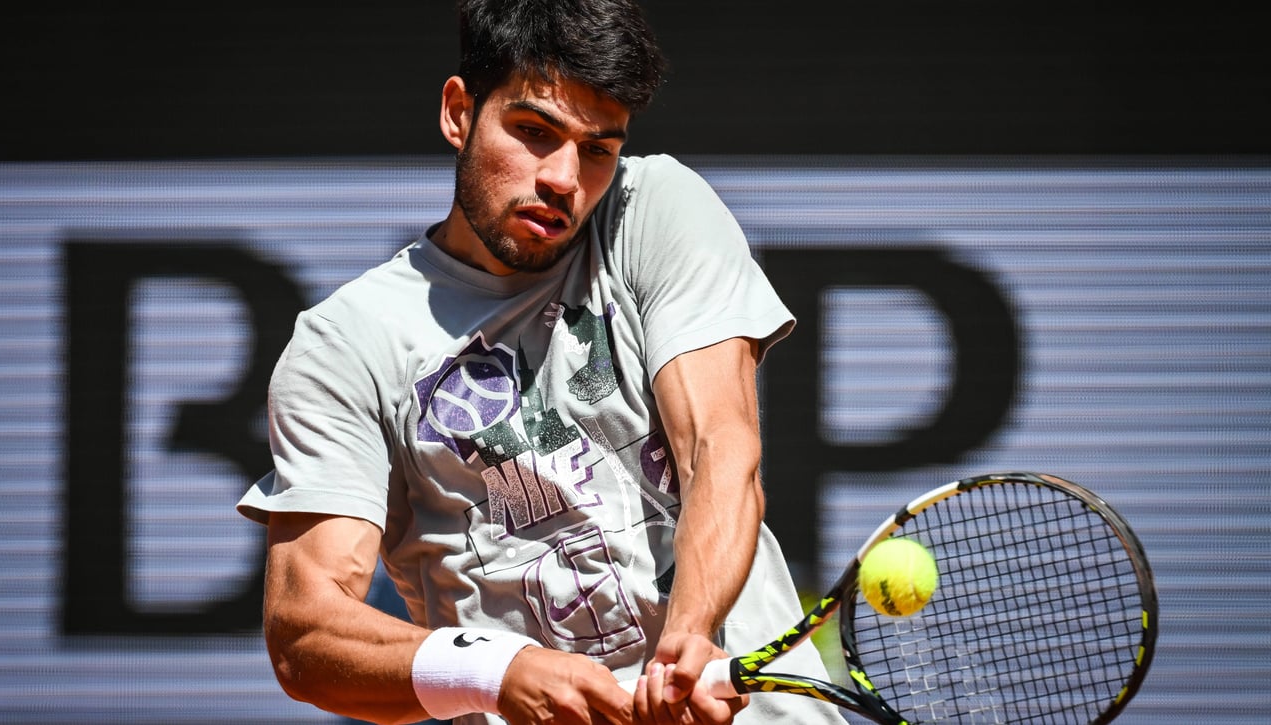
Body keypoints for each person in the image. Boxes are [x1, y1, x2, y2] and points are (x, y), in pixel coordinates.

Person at [237, 1, 849, 723]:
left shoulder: (653, 209)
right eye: (533, 132)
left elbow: (719, 448)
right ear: (459, 112)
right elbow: (305, 632)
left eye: (598, 149)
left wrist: (685, 636)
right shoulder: (346, 343)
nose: (564, 177)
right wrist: (494, 671)